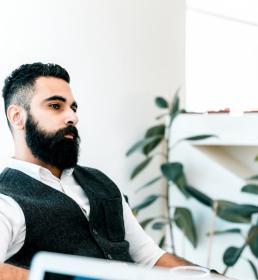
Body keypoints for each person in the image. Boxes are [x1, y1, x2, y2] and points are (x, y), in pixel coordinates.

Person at [0, 63, 222, 280]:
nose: (72, 117)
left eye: (73, 108)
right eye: (56, 106)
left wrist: (215, 279)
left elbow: (149, 257)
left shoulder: (100, 182)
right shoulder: (6, 200)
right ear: (17, 117)